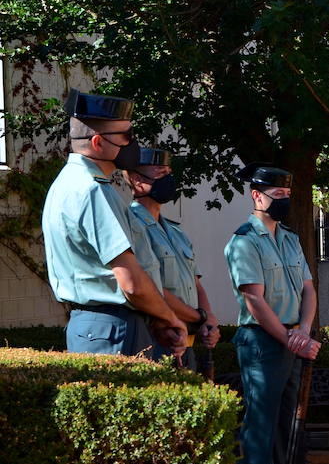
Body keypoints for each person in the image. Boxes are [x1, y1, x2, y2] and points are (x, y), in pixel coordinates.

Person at [224, 166, 329, 464]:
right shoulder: (243, 241)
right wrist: (291, 339)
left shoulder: (290, 238)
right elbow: (253, 299)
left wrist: (303, 330)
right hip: (262, 342)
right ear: (257, 196)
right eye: (277, 196)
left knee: (289, 430)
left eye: (288, 196)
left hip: (291, 340)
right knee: (259, 429)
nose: (284, 201)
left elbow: (308, 289)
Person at [41, 90, 185, 356]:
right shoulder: (93, 190)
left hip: (104, 325)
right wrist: (171, 318)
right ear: (98, 143)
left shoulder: (70, 183)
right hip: (113, 326)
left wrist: (155, 318)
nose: (133, 144)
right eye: (126, 136)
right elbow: (131, 282)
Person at [127, 148, 220, 368]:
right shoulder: (132, 225)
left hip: (186, 342)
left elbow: (196, 284)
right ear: (137, 180)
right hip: (156, 339)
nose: (168, 179)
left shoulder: (176, 232)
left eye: (169, 173)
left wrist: (209, 319)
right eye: (160, 174)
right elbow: (150, 287)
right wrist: (199, 317)